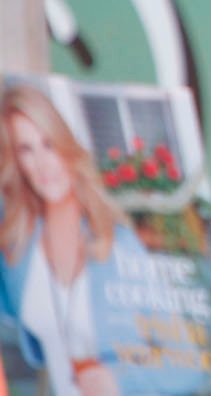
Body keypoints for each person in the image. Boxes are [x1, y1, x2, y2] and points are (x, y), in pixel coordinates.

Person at [0, 82, 126, 396]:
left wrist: (122, 381)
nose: (42, 165)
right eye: (25, 150)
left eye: (48, 144)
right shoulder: (16, 247)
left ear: (65, 145)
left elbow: (189, 361)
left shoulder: (118, 238)